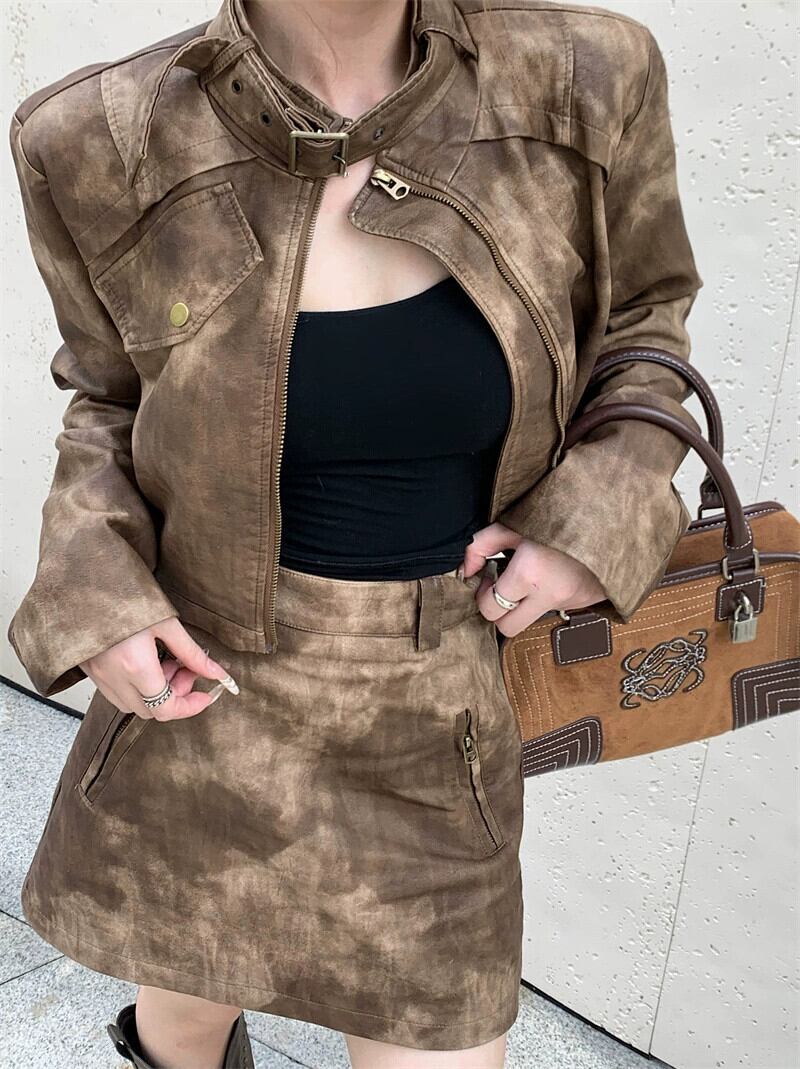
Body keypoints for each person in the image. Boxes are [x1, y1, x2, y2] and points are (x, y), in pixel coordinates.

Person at [7, 0, 703, 1066]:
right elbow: (105, 398)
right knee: (182, 1023)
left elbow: (644, 321)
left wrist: (597, 511)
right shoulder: (97, 136)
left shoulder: (583, 77)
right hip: (206, 698)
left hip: (437, 707)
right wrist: (95, 590)